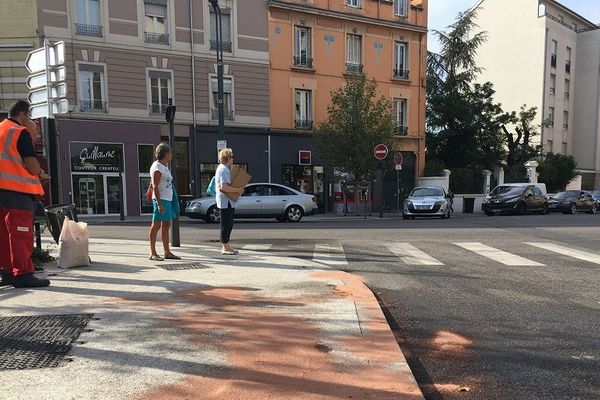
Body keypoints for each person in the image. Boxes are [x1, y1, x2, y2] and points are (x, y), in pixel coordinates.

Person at [0, 100, 50, 288]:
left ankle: (7, 272)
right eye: (28, 116)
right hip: (16, 191)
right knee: (20, 233)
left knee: (4, 234)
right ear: (22, 114)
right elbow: (32, 165)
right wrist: (40, 173)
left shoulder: (1, 129)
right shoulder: (19, 132)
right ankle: (23, 274)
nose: (28, 120)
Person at [148, 143, 180, 261]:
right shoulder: (157, 167)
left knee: (166, 225)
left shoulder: (164, 166)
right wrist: (159, 204)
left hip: (168, 198)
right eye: (170, 153)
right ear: (165, 154)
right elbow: (155, 186)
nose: (171, 155)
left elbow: (154, 184)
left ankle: (167, 252)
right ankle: (153, 252)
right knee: (156, 225)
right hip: (161, 200)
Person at [215, 148, 244, 255]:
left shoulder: (224, 169)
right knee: (226, 224)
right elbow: (224, 187)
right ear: (226, 158)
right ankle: (225, 246)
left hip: (228, 201)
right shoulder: (223, 169)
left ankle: (226, 245)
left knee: (228, 223)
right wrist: (237, 190)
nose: (233, 159)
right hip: (225, 200)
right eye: (232, 156)